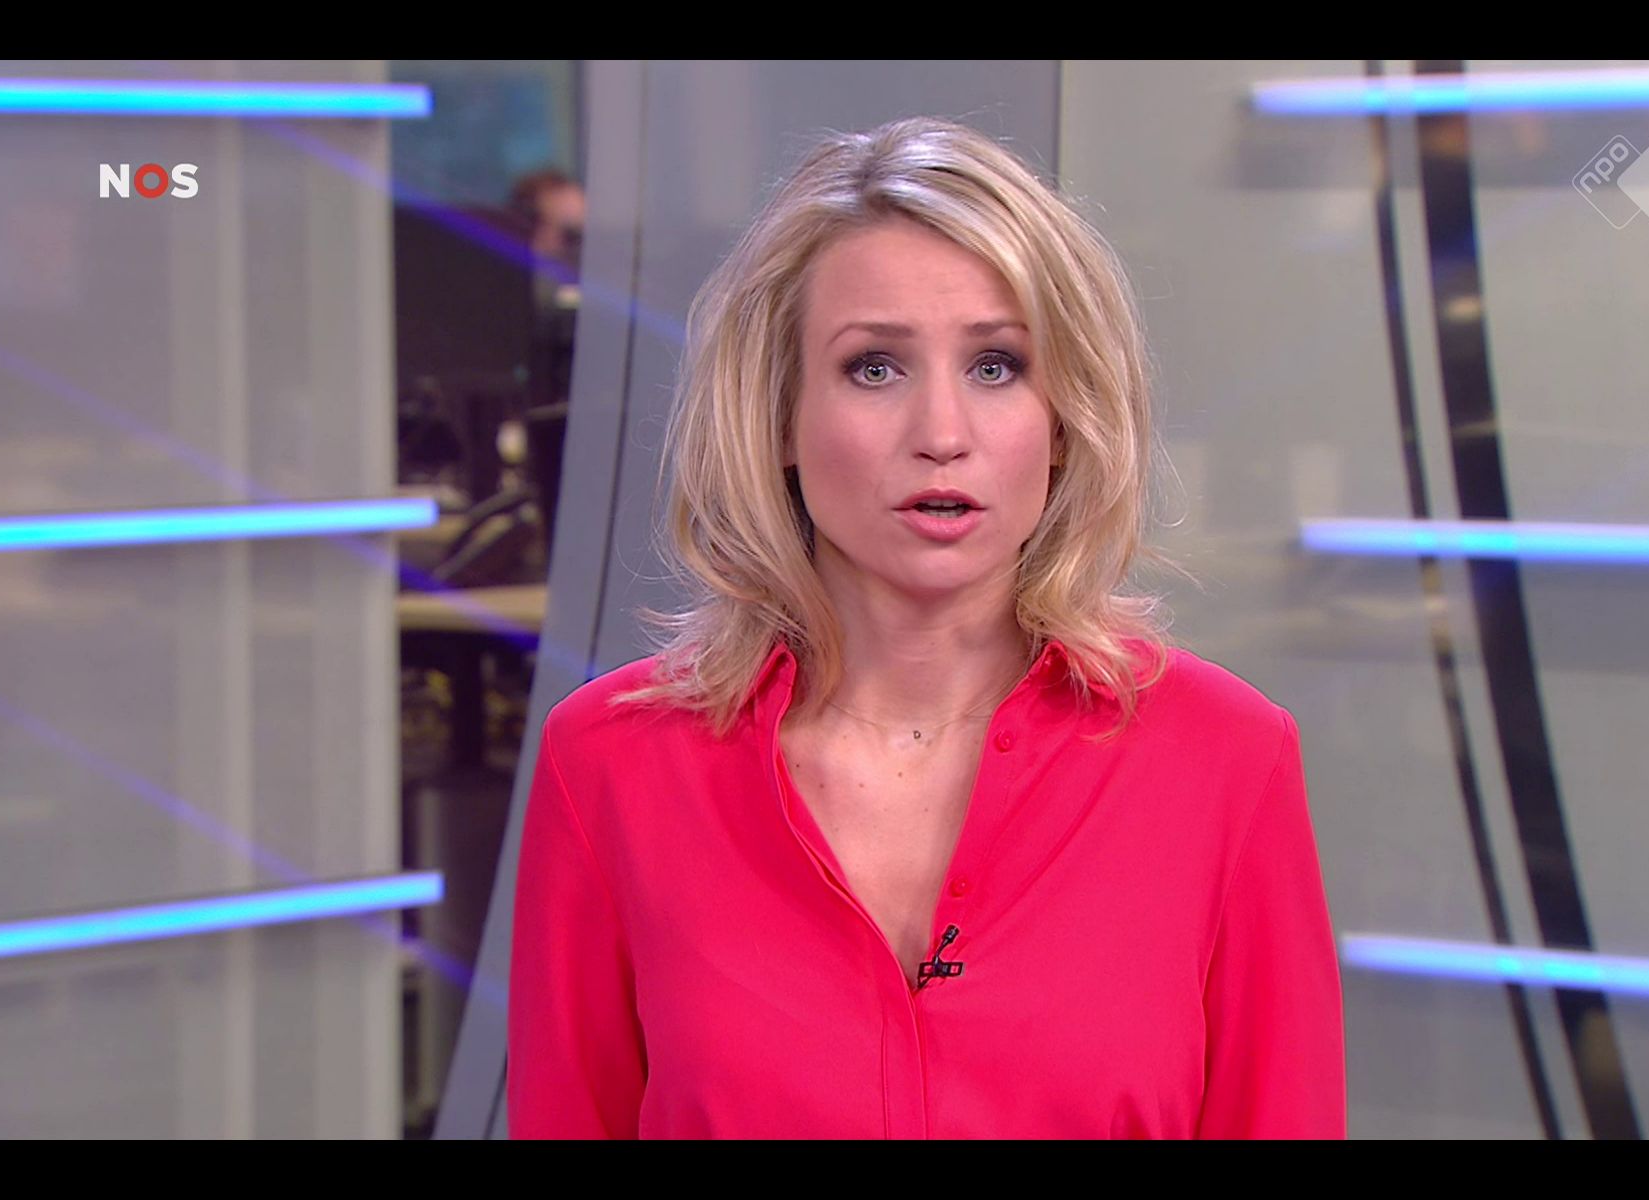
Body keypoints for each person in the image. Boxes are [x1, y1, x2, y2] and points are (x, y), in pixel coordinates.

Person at [507, 117, 1344, 1139]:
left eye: (996, 366)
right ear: (777, 415)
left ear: (1065, 417)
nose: (942, 434)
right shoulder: (613, 766)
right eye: (874, 368)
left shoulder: (1227, 761)